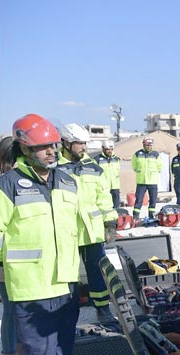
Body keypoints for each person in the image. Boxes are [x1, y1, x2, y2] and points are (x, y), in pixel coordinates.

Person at [0, 114, 97, 355]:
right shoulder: (8, 185)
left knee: (65, 339)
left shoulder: (67, 181)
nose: (51, 151)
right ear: (24, 149)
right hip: (30, 283)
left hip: (66, 279)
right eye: (43, 147)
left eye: (53, 145)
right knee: (39, 345)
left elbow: (80, 228)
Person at [59, 123, 118, 324]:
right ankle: (68, 313)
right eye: (79, 143)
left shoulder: (93, 168)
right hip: (66, 232)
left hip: (92, 232)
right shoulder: (53, 169)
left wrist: (110, 223)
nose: (83, 147)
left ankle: (102, 308)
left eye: (85, 143)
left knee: (98, 272)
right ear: (66, 143)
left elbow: (104, 198)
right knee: (68, 275)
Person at [0, 136, 26, 355]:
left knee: (21, 310)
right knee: (11, 310)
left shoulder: (20, 183)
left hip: (22, 261)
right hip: (3, 262)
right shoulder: (2, 185)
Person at [131, 137, 162, 220]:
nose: (148, 146)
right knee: (139, 200)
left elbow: (159, 166)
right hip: (141, 181)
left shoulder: (156, 154)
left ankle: (151, 216)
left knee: (153, 200)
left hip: (152, 181)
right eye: (147, 145)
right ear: (143, 145)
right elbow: (134, 165)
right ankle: (135, 216)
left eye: (150, 145)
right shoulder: (138, 154)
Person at [95, 139, 122, 209]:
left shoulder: (116, 159)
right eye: (107, 149)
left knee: (116, 205)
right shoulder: (97, 159)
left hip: (115, 186)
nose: (110, 151)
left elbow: (117, 171)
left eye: (111, 149)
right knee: (105, 204)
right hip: (104, 187)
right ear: (103, 149)